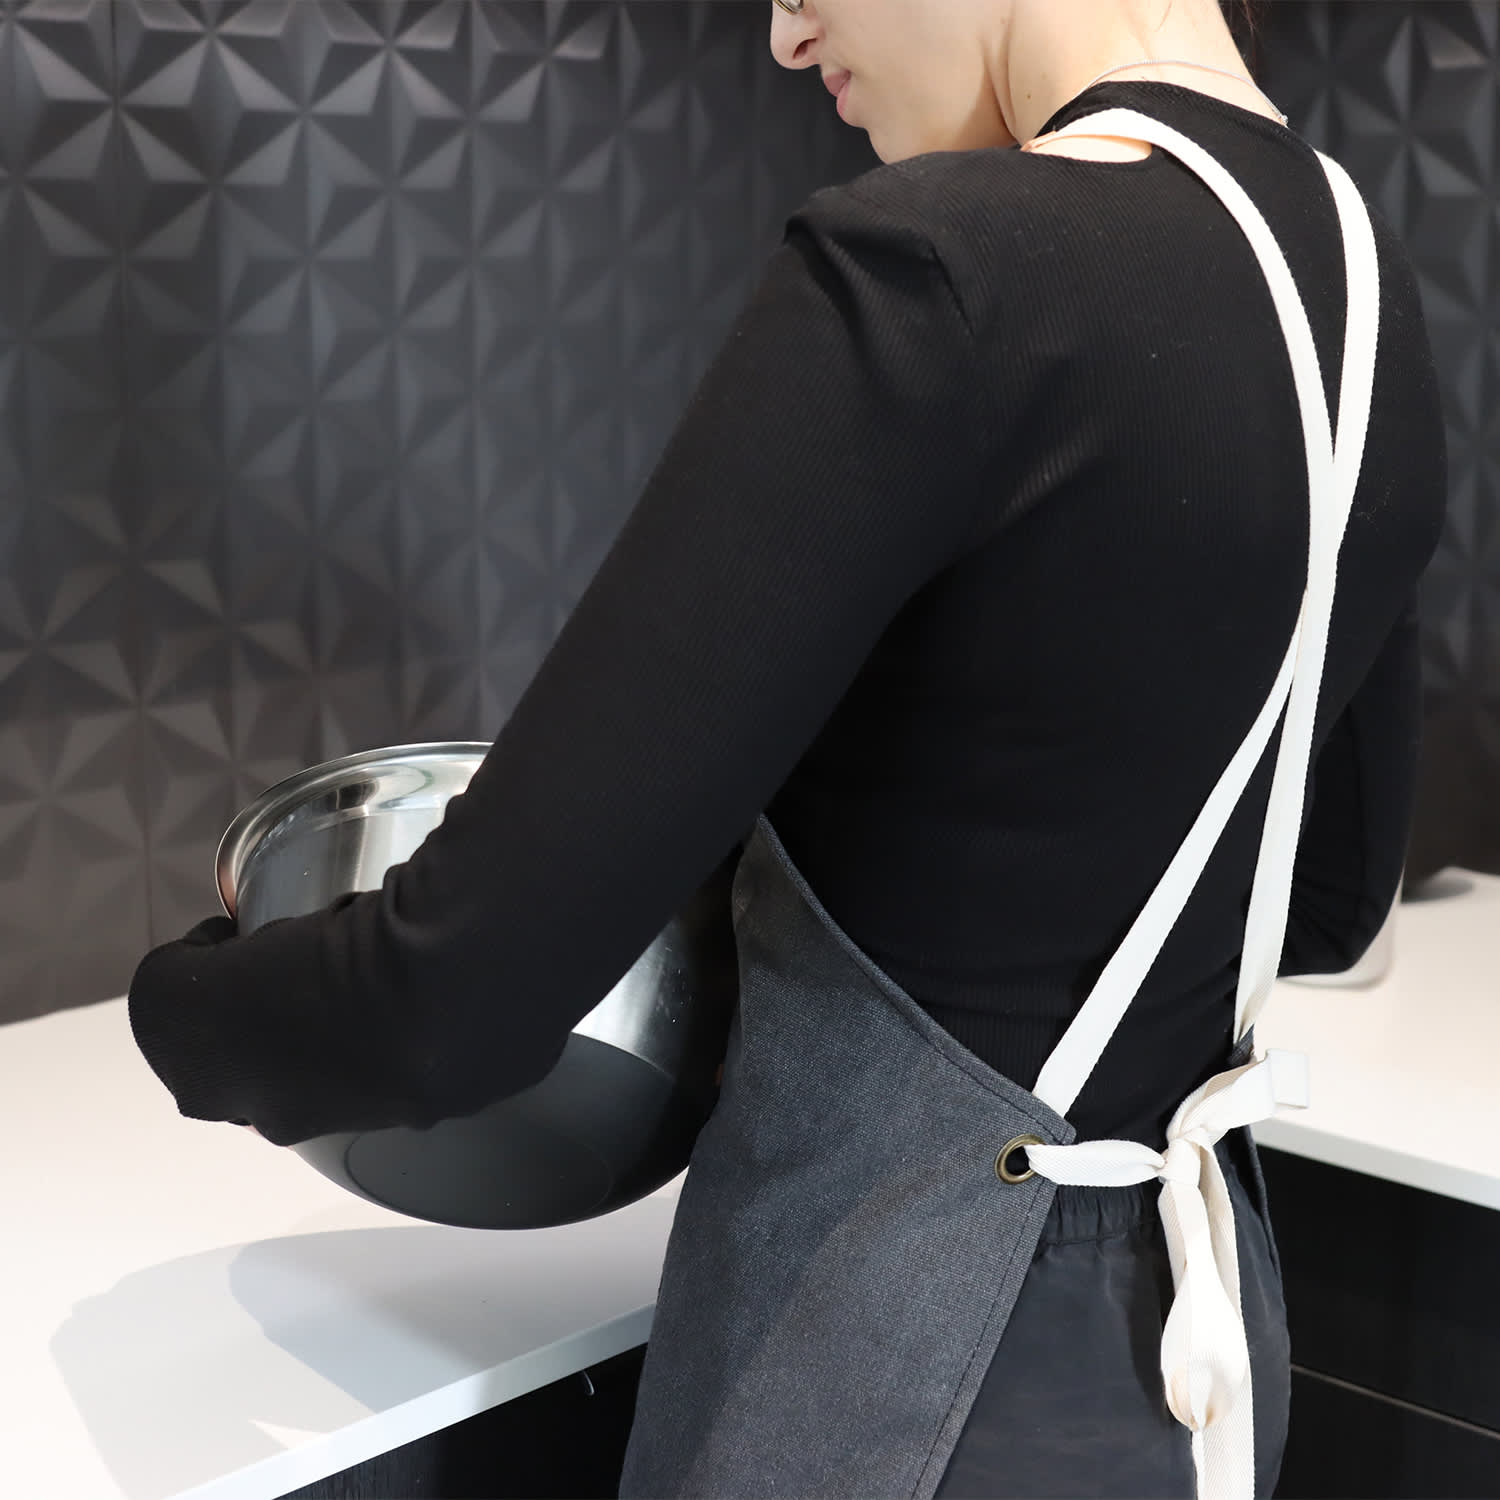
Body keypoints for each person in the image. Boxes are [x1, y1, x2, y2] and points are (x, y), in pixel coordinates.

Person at [127, 0, 1448, 1495]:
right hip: (1183, 1372)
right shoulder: (1359, 275)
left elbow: (454, 998)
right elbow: (1329, 897)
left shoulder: (939, 265)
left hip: (895, 1376)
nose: (784, 33)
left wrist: (184, 1006)